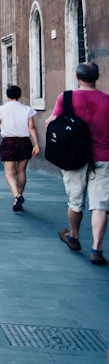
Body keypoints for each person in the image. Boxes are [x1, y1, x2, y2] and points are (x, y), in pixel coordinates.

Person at [46, 62, 109, 266]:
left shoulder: (66, 98)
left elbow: (51, 123)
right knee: (100, 205)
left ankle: (73, 236)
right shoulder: (107, 100)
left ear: (77, 76)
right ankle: (96, 249)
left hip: (74, 158)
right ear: (97, 77)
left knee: (76, 202)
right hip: (103, 157)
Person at [0, 85, 39, 213]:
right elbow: (32, 127)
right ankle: (18, 198)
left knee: (9, 173)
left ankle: (17, 196)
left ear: (7, 96)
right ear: (19, 95)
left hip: (9, 142)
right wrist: (36, 144)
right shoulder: (27, 109)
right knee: (21, 171)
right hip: (24, 142)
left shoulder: (1, 109)